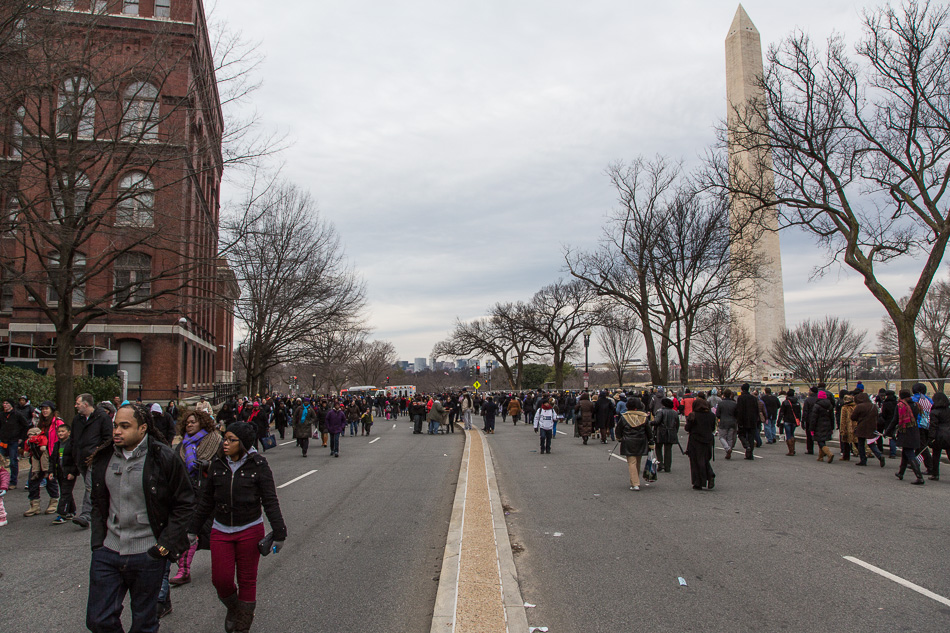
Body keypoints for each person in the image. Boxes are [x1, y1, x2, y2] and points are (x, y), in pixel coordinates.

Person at [86, 403, 196, 633]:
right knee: (98, 619)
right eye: (116, 425)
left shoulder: (162, 457)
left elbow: (185, 504)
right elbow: (97, 502)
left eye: (125, 426)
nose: (117, 431)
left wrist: (164, 547)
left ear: (143, 428)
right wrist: (98, 543)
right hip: (109, 551)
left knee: (144, 624)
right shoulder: (103, 457)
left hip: (148, 553)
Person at [189, 422, 286, 633]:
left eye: (231, 440)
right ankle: (235, 608)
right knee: (221, 580)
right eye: (225, 439)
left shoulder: (258, 465)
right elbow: (206, 501)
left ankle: (243, 626)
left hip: (249, 529)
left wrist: (280, 533)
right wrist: (192, 529)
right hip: (221, 530)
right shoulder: (217, 465)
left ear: (243, 443)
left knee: (247, 580)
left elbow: (270, 501)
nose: (225, 443)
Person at [170, 409, 222, 586]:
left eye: (193, 422)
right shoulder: (182, 446)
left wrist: (209, 465)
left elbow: (225, 465)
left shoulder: (216, 442)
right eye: (187, 423)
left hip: (211, 496)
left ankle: (224, 568)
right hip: (188, 495)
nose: (189, 425)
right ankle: (184, 570)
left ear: (202, 423)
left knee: (216, 534)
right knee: (188, 532)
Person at [71, 394, 113, 529]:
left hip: (95, 459)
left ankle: (85, 515)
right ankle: (103, 510)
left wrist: (98, 453)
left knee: (90, 487)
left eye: (78, 403)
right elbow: (73, 441)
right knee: (95, 488)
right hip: (80, 460)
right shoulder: (77, 420)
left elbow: (108, 439)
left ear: (86, 404)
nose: (75, 405)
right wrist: (71, 463)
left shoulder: (102, 418)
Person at [886, 390, 924, 484]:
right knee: (906, 452)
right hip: (914, 430)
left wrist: (887, 431)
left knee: (909, 452)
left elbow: (895, 420)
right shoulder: (916, 405)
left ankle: (919, 476)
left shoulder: (900, 406)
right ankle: (901, 473)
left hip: (905, 431)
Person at [615, 399, 654, 491]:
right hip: (641, 441)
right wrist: (651, 442)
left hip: (628, 441)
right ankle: (635, 480)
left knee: (631, 462)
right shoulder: (644, 417)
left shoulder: (624, 417)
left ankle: (635, 483)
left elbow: (618, 429)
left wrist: (619, 438)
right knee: (638, 461)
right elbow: (649, 431)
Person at [685, 397, 716, 490]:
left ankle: (698, 481)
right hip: (708, 439)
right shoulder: (711, 415)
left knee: (695, 461)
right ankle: (710, 475)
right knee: (705, 460)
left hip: (695, 440)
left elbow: (687, 428)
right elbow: (713, 428)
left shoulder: (693, 415)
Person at [50, 423, 78, 524]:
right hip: (60, 472)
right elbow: (53, 459)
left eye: (63, 431)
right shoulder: (57, 444)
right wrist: (51, 472)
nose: (60, 433)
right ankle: (71, 510)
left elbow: (76, 460)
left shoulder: (72, 444)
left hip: (69, 473)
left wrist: (73, 472)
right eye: (59, 432)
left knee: (65, 493)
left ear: (69, 432)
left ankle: (62, 514)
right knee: (66, 491)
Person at [0, 398, 29, 489]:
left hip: (13, 441)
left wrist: (21, 438)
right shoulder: (1, 415)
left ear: (11, 405)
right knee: (1, 461)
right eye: (4, 403)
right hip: (2, 441)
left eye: (7, 403)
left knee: (13, 461)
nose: (5, 405)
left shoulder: (17, 415)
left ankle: (13, 482)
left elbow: (25, 425)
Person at [852, 391, 886, 467]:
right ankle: (879, 456)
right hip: (872, 426)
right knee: (871, 443)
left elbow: (853, 417)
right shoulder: (873, 406)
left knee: (861, 444)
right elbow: (877, 416)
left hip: (861, 426)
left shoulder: (859, 406)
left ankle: (863, 460)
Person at [652, 398, 679, 473]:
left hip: (661, 432)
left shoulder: (660, 411)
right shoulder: (674, 412)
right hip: (671, 432)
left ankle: (660, 464)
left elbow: (656, 422)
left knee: (658, 448)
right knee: (668, 450)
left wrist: (650, 423)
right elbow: (677, 424)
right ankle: (667, 466)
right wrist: (675, 431)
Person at [928, 391, 950, 480]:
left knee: (936, 455)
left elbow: (933, 426)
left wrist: (930, 438)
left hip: (939, 435)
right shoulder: (948, 410)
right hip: (949, 434)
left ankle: (935, 474)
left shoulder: (934, 412)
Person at [810, 390, 836, 464]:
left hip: (819, 425)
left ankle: (829, 453)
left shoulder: (817, 406)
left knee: (820, 441)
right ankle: (820, 456)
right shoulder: (830, 405)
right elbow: (832, 418)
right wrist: (832, 427)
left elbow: (813, 418)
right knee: (823, 440)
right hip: (827, 425)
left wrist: (812, 428)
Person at [735, 384, 759, 460]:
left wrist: (739, 420)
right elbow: (756, 410)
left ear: (742, 389)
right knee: (751, 437)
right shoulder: (753, 398)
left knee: (741, 434)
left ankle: (746, 445)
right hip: (752, 420)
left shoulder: (740, 398)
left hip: (743, 420)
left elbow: (739, 410)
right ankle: (750, 454)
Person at [716, 389, 738, 458]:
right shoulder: (734, 404)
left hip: (723, 422)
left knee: (722, 437)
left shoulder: (721, 403)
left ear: (724, 395)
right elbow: (737, 414)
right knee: (730, 438)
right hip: (732, 422)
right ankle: (729, 449)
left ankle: (727, 449)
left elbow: (717, 414)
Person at [779, 389, 802, 456]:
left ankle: (790, 450)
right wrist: (799, 420)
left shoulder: (785, 402)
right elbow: (799, 413)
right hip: (794, 420)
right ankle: (793, 448)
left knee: (788, 435)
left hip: (787, 420)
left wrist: (779, 421)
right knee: (792, 434)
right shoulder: (797, 402)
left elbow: (781, 412)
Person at [838, 393, 857, 461]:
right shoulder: (855, 406)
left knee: (845, 442)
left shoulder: (844, 408)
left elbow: (842, 420)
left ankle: (846, 456)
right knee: (856, 442)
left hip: (846, 427)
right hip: (855, 426)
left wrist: (842, 429)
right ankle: (863, 455)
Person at [0, 453, 9, 526]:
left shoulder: (3, 473)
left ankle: (2, 518)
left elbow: (5, 481)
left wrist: (3, 488)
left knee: (0, 506)